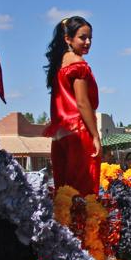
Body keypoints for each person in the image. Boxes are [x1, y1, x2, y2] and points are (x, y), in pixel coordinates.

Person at [42, 16, 101, 196]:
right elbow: (83, 103)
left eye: (90, 38)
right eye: (82, 37)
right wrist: (95, 135)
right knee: (84, 191)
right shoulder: (78, 64)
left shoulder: (59, 64)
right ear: (68, 39)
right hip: (78, 131)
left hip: (60, 134)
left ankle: (64, 225)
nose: (88, 42)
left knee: (64, 191)